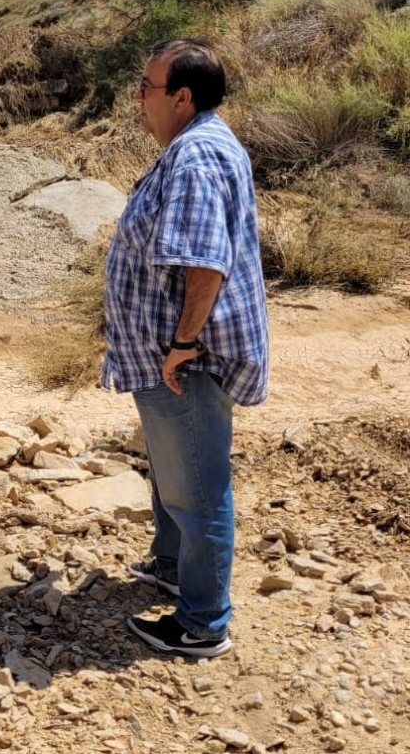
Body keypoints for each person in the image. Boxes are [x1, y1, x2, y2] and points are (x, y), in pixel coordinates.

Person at [101, 38, 269, 658]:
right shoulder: (196, 146)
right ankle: (172, 565)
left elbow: (204, 266)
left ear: (181, 96)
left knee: (197, 484)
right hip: (169, 354)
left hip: (185, 360)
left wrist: (180, 346)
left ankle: (202, 622)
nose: (139, 100)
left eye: (146, 88)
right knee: (175, 469)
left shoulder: (196, 156)